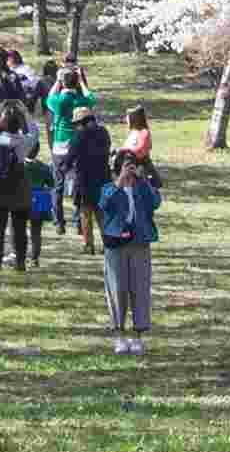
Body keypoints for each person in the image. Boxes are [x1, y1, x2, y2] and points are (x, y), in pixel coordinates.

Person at [96, 135, 166, 357]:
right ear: (118, 168)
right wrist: (120, 182)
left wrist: (143, 180)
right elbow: (104, 204)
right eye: (126, 166)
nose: (130, 170)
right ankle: (119, 334)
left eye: (133, 166)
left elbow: (156, 203)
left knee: (140, 289)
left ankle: (137, 335)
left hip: (140, 244)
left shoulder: (142, 188)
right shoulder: (109, 188)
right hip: (116, 245)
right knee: (117, 290)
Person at [0, 94, 46, 275]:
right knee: (20, 229)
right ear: (18, 125)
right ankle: (20, 262)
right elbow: (35, 132)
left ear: (1, 123)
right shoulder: (23, 142)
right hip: (19, 189)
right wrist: (24, 111)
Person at [60, 96, 114, 250]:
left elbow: (70, 156)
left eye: (76, 123)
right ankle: (107, 243)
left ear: (81, 122)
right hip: (103, 178)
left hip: (84, 180)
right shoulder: (104, 132)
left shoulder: (79, 135)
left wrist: (63, 168)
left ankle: (88, 244)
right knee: (102, 214)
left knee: (85, 213)